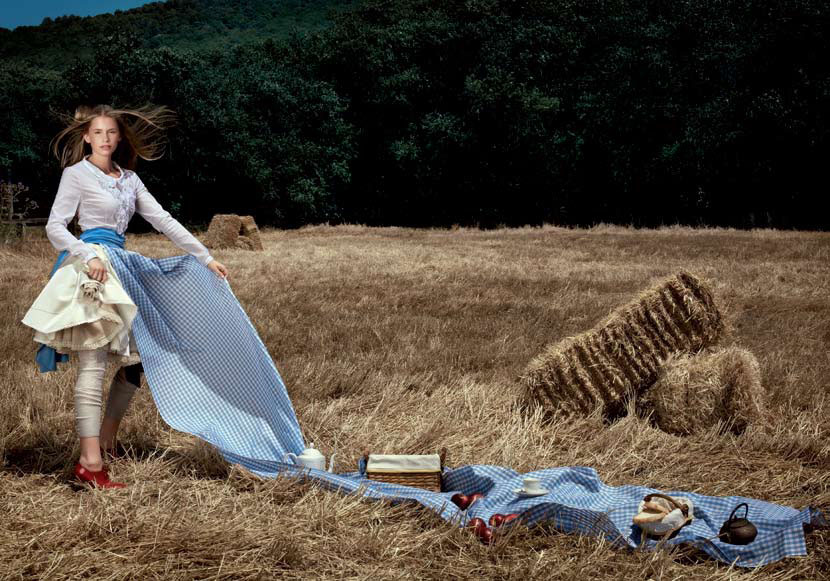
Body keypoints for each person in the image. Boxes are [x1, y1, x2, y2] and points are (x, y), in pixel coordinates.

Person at [21, 104, 229, 489]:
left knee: (146, 356)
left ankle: (106, 441)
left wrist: (205, 257)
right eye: (98, 132)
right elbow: (55, 226)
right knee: (93, 364)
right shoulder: (76, 174)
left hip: (122, 266)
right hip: (91, 268)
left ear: (119, 138)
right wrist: (87, 255)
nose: (105, 138)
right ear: (87, 137)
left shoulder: (130, 179)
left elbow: (163, 219)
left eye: (111, 132)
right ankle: (90, 463)